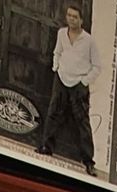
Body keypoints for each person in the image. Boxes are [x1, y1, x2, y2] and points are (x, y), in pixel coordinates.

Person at [38, 5, 98, 172]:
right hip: (61, 79)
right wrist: (56, 67)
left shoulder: (89, 41)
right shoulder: (61, 33)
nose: (71, 19)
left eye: (75, 17)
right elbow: (57, 52)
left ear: (81, 20)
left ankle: (88, 162)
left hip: (79, 85)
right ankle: (46, 147)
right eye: (69, 16)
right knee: (53, 112)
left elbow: (97, 66)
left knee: (82, 121)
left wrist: (84, 82)